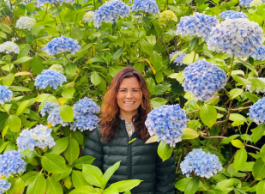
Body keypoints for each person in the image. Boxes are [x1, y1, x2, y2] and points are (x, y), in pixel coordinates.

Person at [83, 66, 176, 194]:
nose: (129, 96)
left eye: (135, 90)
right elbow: (91, 180)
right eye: (123, 90)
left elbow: (166, 179)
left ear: (142, 94)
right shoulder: (100, 132)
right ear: (115, 94)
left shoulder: (156, 130)